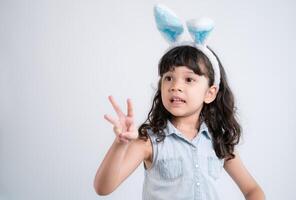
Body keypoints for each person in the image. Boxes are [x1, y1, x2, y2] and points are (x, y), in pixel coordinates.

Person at [93, 4, 265, 200]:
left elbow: (253, 190)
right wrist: (120, 144)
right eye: (168, 78)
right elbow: (103, 187)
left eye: (189, 79)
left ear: (210, 93)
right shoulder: (149, 140)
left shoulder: (219, 140)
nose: (175, 86)